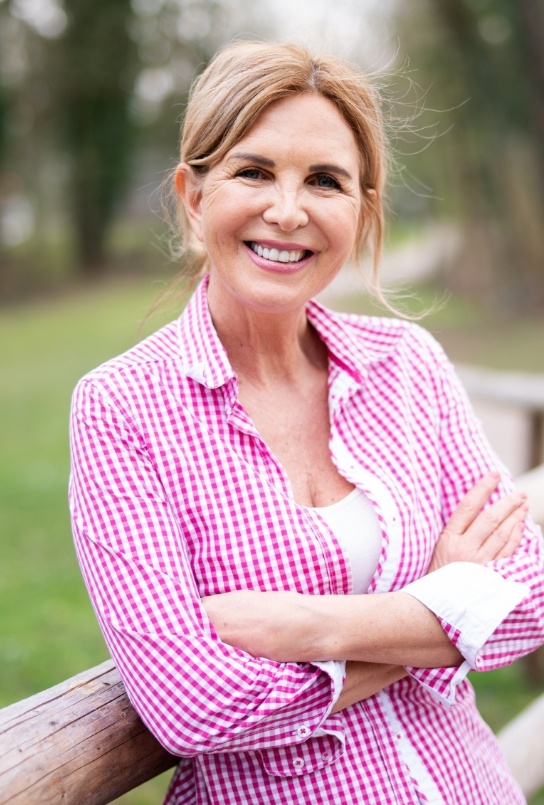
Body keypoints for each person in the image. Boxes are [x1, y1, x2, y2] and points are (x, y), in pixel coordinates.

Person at [69, 41, 544, 805]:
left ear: (361, 209)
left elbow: (534, 593)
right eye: (254, 171)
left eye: (324, 181)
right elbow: (191, 706)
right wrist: (444, 603)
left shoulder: (406, 364)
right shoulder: (123, 407)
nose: (287, 210)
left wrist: (305, 625)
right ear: (194, 197)